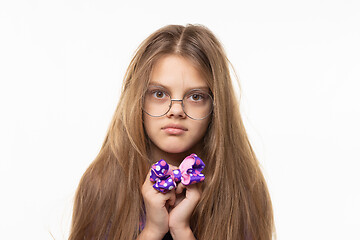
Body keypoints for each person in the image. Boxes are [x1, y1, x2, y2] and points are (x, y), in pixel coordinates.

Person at [69, 24, 275, 240]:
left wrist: (181, 231)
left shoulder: (243, 189)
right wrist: (152, 232)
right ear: (138, 100)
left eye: (196, 96)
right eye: (159, 94)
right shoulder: (103, 184)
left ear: (216, 107)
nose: (176, 110)